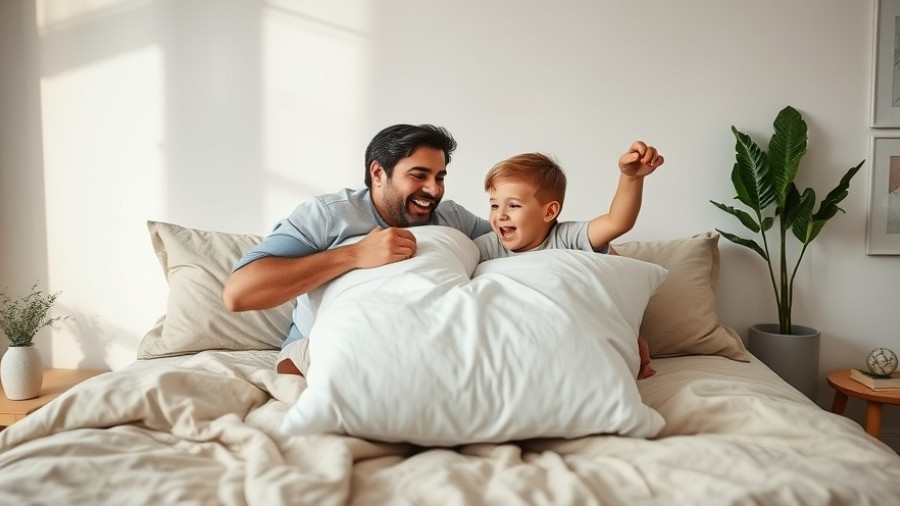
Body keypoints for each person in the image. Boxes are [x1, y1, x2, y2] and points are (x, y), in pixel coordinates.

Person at [223, 124, 491, 375]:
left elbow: (515, 244)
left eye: (440, 178)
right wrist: (354, 255)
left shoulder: (452, 218)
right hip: (324, 348)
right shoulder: (329, 216)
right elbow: (239, 293)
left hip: (421, 345)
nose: (433, 189)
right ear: (378, 174)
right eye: (418, 175)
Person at [473, 143, 664, 378]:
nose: (500, 214)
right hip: (520, 334)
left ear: (549, 212)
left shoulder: (566, 237)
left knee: (630, 340)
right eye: (494, 205)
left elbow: (617, 222)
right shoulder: (486, 248)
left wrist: (631, 178)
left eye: (513, 205)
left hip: (572, 331)